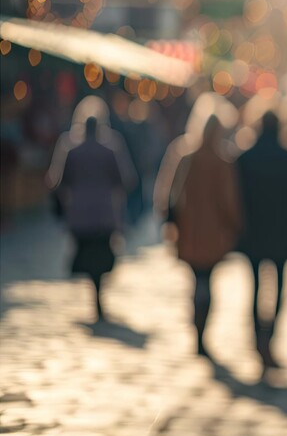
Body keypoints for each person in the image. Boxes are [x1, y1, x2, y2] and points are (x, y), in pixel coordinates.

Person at [154, 94, 242, 360]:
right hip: (213, 234)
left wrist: (169, 222)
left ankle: (197, 330)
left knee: (196, 281)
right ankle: (203, 330)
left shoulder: (185, 154)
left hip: (190, 231)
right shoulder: (222, 161)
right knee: (207, 281)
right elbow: (229, 201)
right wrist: (235, 226)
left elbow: (167, 193)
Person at [47, 96, 137, 320]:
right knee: (100, 256)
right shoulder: (111, 147)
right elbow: (126, 179)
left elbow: (57, 181)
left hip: (79, 213)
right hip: (105, 212)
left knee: (87, 255)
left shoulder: (70, 147)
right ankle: (97, 295)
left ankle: (94, 295)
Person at [236, 110, 287, 372]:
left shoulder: (245, 157)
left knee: (254, 289)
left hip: (253, 232)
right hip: (280, 232)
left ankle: (256, 340)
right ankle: (269, 338)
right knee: (279, 290)